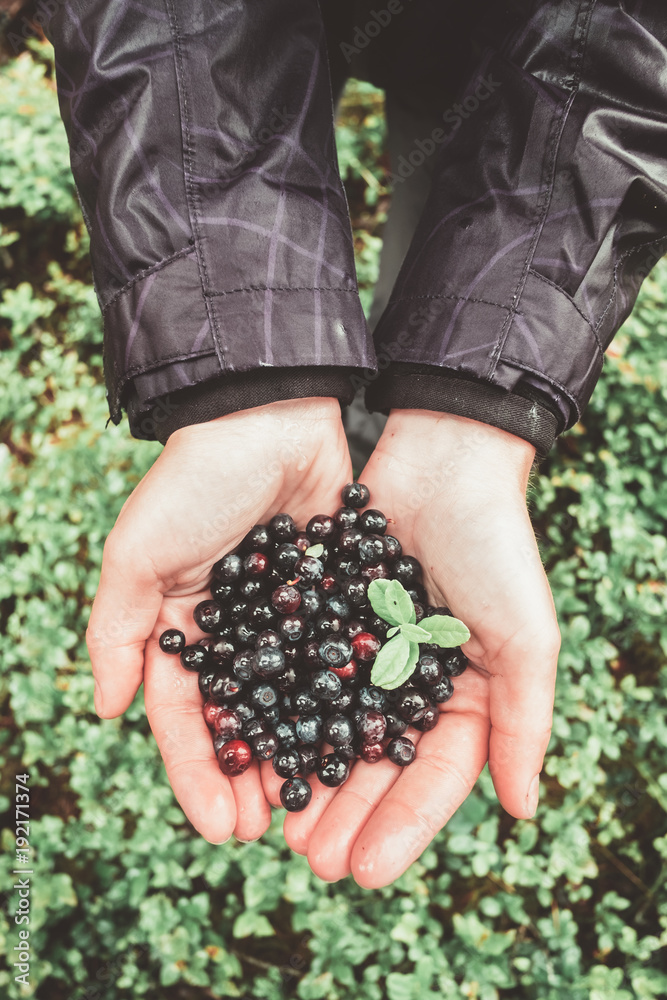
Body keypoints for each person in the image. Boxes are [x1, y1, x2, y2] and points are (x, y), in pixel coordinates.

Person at [38, 0, 666, 888]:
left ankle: (390, 421)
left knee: (455, 187)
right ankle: (345, 415)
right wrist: (245, 381)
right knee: (252, 114)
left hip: (509, 52)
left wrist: (475, 397)